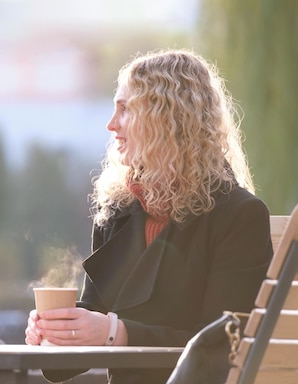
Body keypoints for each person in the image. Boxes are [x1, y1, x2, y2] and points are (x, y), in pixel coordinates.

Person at [24, 49, 273, 384]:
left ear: (167, 118)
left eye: (125, 110)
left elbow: (223, 349)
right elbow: (72, 358)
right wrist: (55, 334)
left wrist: (115, 332)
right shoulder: (118, 211)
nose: (111, 125)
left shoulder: (239, 216)